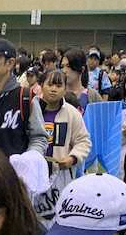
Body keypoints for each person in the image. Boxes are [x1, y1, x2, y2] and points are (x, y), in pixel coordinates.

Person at [0, 38, 49, 197]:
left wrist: (28, 161)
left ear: (10, 63)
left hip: (16, 184)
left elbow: (39, 138)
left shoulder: (25, 97)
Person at [33, 69, 91, 225]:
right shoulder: (31, 109)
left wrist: (72, 158)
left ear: (65, 89)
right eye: (50, 84)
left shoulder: (72, 113)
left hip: (60, 175)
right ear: (41, 86)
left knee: (57, 218)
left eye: (58, 85)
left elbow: (83, 141)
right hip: (34, 174)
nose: (53, 89)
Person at [60, 49, 102, 114]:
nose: (64, 70)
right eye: (62, 66)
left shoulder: (93, 96)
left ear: (82, 69)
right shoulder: (58, 94)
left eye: (68, 66)